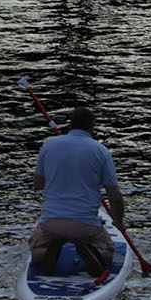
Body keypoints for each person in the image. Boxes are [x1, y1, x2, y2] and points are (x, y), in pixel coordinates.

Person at [29, 105, 127, 279]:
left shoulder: (49, 144)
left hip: (51, 222)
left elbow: (38, 184)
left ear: (70, 125)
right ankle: (91, 251)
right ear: (92, 127)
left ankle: (51, 249)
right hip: (85, 225)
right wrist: (119, 223)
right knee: (108, 253)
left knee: (37, 252)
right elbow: (115, 197)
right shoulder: (101, 151)